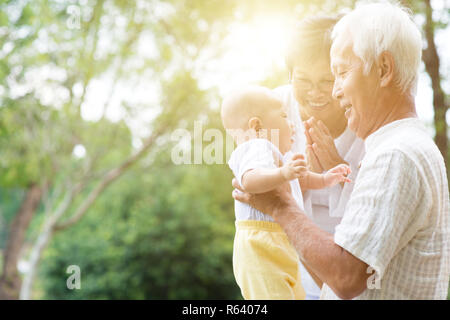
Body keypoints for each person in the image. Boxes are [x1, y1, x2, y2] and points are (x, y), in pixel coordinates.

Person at [233, 1, 449, 299]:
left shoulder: (395, 155)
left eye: (341, 73)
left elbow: (345, 277)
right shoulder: (398, 146)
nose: (333, 91)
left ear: (384, 69)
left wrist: (280, 204)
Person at [221, 85, 351, 299]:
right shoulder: (256, 146)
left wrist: (326, 178)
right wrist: (283, 173)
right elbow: (249, 180)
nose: (292, 124)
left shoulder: (277, 155)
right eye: (283, 116)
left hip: (279, 243)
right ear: (257, 126)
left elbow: (301, 181)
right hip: (260, 245)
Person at [274, 15, 365, 299]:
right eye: (302, 80)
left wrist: (339, 174)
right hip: (285, 270)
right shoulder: (273, 109)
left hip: (346, 273)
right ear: (290, 76)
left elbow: (379, 214)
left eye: (327, 80)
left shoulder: (367, 120)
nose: (314, 93)